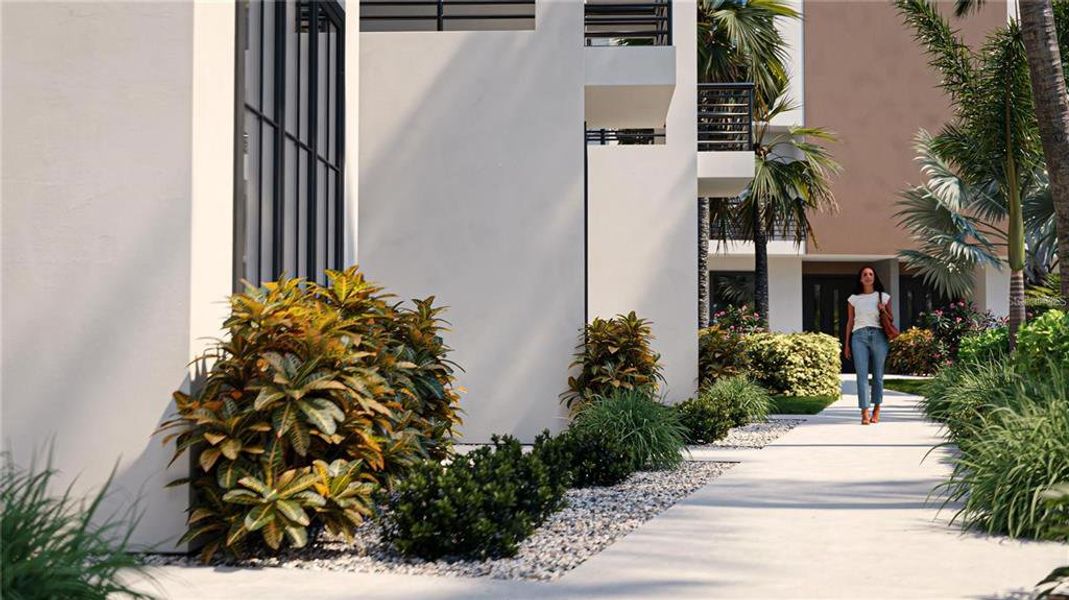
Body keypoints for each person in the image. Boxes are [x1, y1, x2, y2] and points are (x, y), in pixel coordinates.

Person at [843, 266, 893, 425]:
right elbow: (850, 321)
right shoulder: (853, 299)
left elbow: (890, 318)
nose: (868, 276)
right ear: (860, 278)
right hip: (858, 337)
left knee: (878, 376)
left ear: (874, 277)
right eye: (865, 274)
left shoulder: (883, 297)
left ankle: (876, 410)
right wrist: (846, 344)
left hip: (879, 336)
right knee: (862, 376)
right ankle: (864, 412)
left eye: (871, 274)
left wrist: (883, 310)